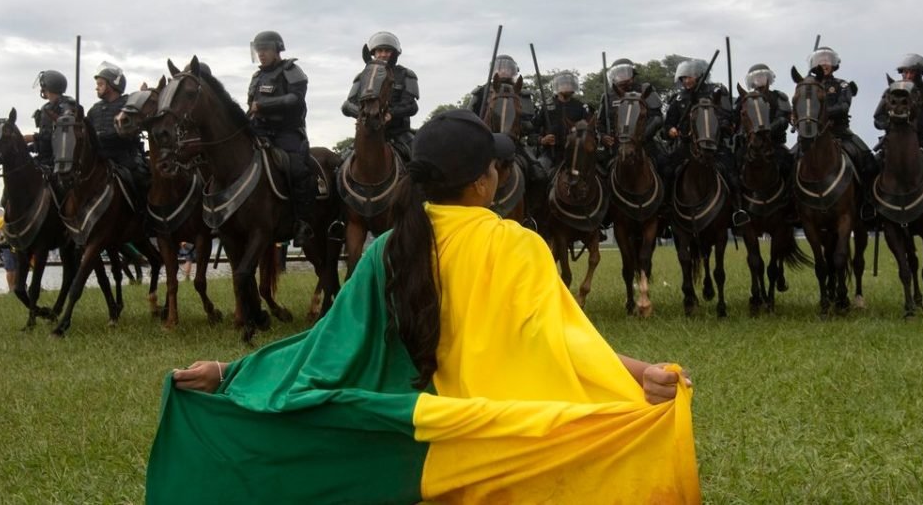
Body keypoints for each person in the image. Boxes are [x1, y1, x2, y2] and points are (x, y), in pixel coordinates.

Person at [150, 109, 699, 504]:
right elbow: (562, 344)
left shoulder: (387, 247)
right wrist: (642, 375)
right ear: (483, 182)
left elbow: (324, 346)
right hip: (498, 447)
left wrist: (230, 373)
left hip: (421, 439)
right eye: (496, 168)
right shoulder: (517, 244)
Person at [247, 30, 317, 247]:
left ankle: (303, 223)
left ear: (277, 50)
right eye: (258, 50)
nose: (261, 54)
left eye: (265, 50)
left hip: (286, 132)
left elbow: (295, 99)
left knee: (298, 169)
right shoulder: (257, 77)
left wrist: (263, 106)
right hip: (260, 131)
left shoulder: (291, 70)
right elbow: (250, 105)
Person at [664, 58, 749, 226]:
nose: (686, 81)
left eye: (689, 77)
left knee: (731, 172)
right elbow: (669, 123)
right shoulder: (678, 98)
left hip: (714, 145)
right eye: (683, 78)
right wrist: (671, 130)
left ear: (699, 75)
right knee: (667, 170)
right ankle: (666, 210)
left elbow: (727, 115)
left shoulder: (716, 92)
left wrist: (723, 125)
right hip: (687, 145)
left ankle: (738, 210)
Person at [803, 46, 878, 219]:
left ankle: (867, 201)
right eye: (820, 60)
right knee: (792, 160)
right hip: (814, 135)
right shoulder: (808, 86)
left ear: (834, 64)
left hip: (840, 133)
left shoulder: (841, 84)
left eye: (827, 60)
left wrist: (820, 112)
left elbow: (843, 106)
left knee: (868, 161)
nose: (824, 64)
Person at [874, 53, 923, 212]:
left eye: (912, 72)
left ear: (920, 74)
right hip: (896, 141)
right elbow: (878, 117)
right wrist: (889, 124)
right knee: (870, 166)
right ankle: (870, 207)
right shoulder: (892, 90)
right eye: (905, 72)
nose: (908, 75)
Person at [341, 31, 419, 162]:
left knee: (421, 163)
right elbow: (347, 106)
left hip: (398, 134)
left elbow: (412, 106)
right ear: (374, 53)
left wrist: (390, 114)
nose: (383, 54)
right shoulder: (363, 75)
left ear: (394, 54)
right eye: (380, 51)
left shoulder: (406, 74)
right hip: (368, 134)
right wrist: (364, 114)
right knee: (341, 164)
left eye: (387, 51)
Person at [467, 54, 546, 182]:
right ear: (494, 70)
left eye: (507, 68)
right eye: (500, 68)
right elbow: (468, 118)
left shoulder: (522, 93)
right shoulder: (481, 92)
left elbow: (529, 125)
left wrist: (520, 126)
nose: (503, 71)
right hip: (484, 141)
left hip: (514, 143)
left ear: (514, 71)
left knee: (539, 174)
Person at [87, 62, 149, 206]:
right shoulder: (94, 109)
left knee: (142, 179)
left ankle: (145, 212)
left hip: (124, 156)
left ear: (112, 85)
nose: (97, 87)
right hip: (99, 157)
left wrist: (142, 98)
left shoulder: (128, 104)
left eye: (100, 84)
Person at [595, 58, 664, 175]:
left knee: (666, 167)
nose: (621, 76)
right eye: (618, 73)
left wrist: (638, 138)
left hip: (644, 143)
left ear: (632, 74)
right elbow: (599, 124)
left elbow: (657, 119)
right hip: (615, 146)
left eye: (624, 73)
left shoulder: (644, 89)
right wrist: (602, 137)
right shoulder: (607, 97)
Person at [733, 63, 794, 182]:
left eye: (762, 76)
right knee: (735, 163)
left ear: (768, 78)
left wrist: (765, 130)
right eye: (757, 77)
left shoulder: (778, 96)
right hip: (751, 142)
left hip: (774, 141)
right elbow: (737, 121)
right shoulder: (744, 99)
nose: (759, 79)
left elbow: (783, 119)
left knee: (789, 163)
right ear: (752, 80)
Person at [535, 71, 588, 176]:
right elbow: (532, 131)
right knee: (538, 173)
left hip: (575, 152)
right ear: (557, 86)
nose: (566, 86)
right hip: (550, 153)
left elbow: (590, 131)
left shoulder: (581, 107)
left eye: (569, 84)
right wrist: (542, 140)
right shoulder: (545, 107)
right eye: (563, 84)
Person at [24, 70, 78, 166]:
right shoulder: (46, 107)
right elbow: (45, 142)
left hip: (59, 159)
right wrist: (29, 147)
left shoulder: (66, 106)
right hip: (44, 158)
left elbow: (63, 133)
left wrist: (33, 138)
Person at [0, 200, 17, 292]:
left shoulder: (12, 216)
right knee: (11, 268)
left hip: (13, 245)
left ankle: (15, 288)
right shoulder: (1, 216)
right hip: (6, 246)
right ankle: (11, 289)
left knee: (15, 268)